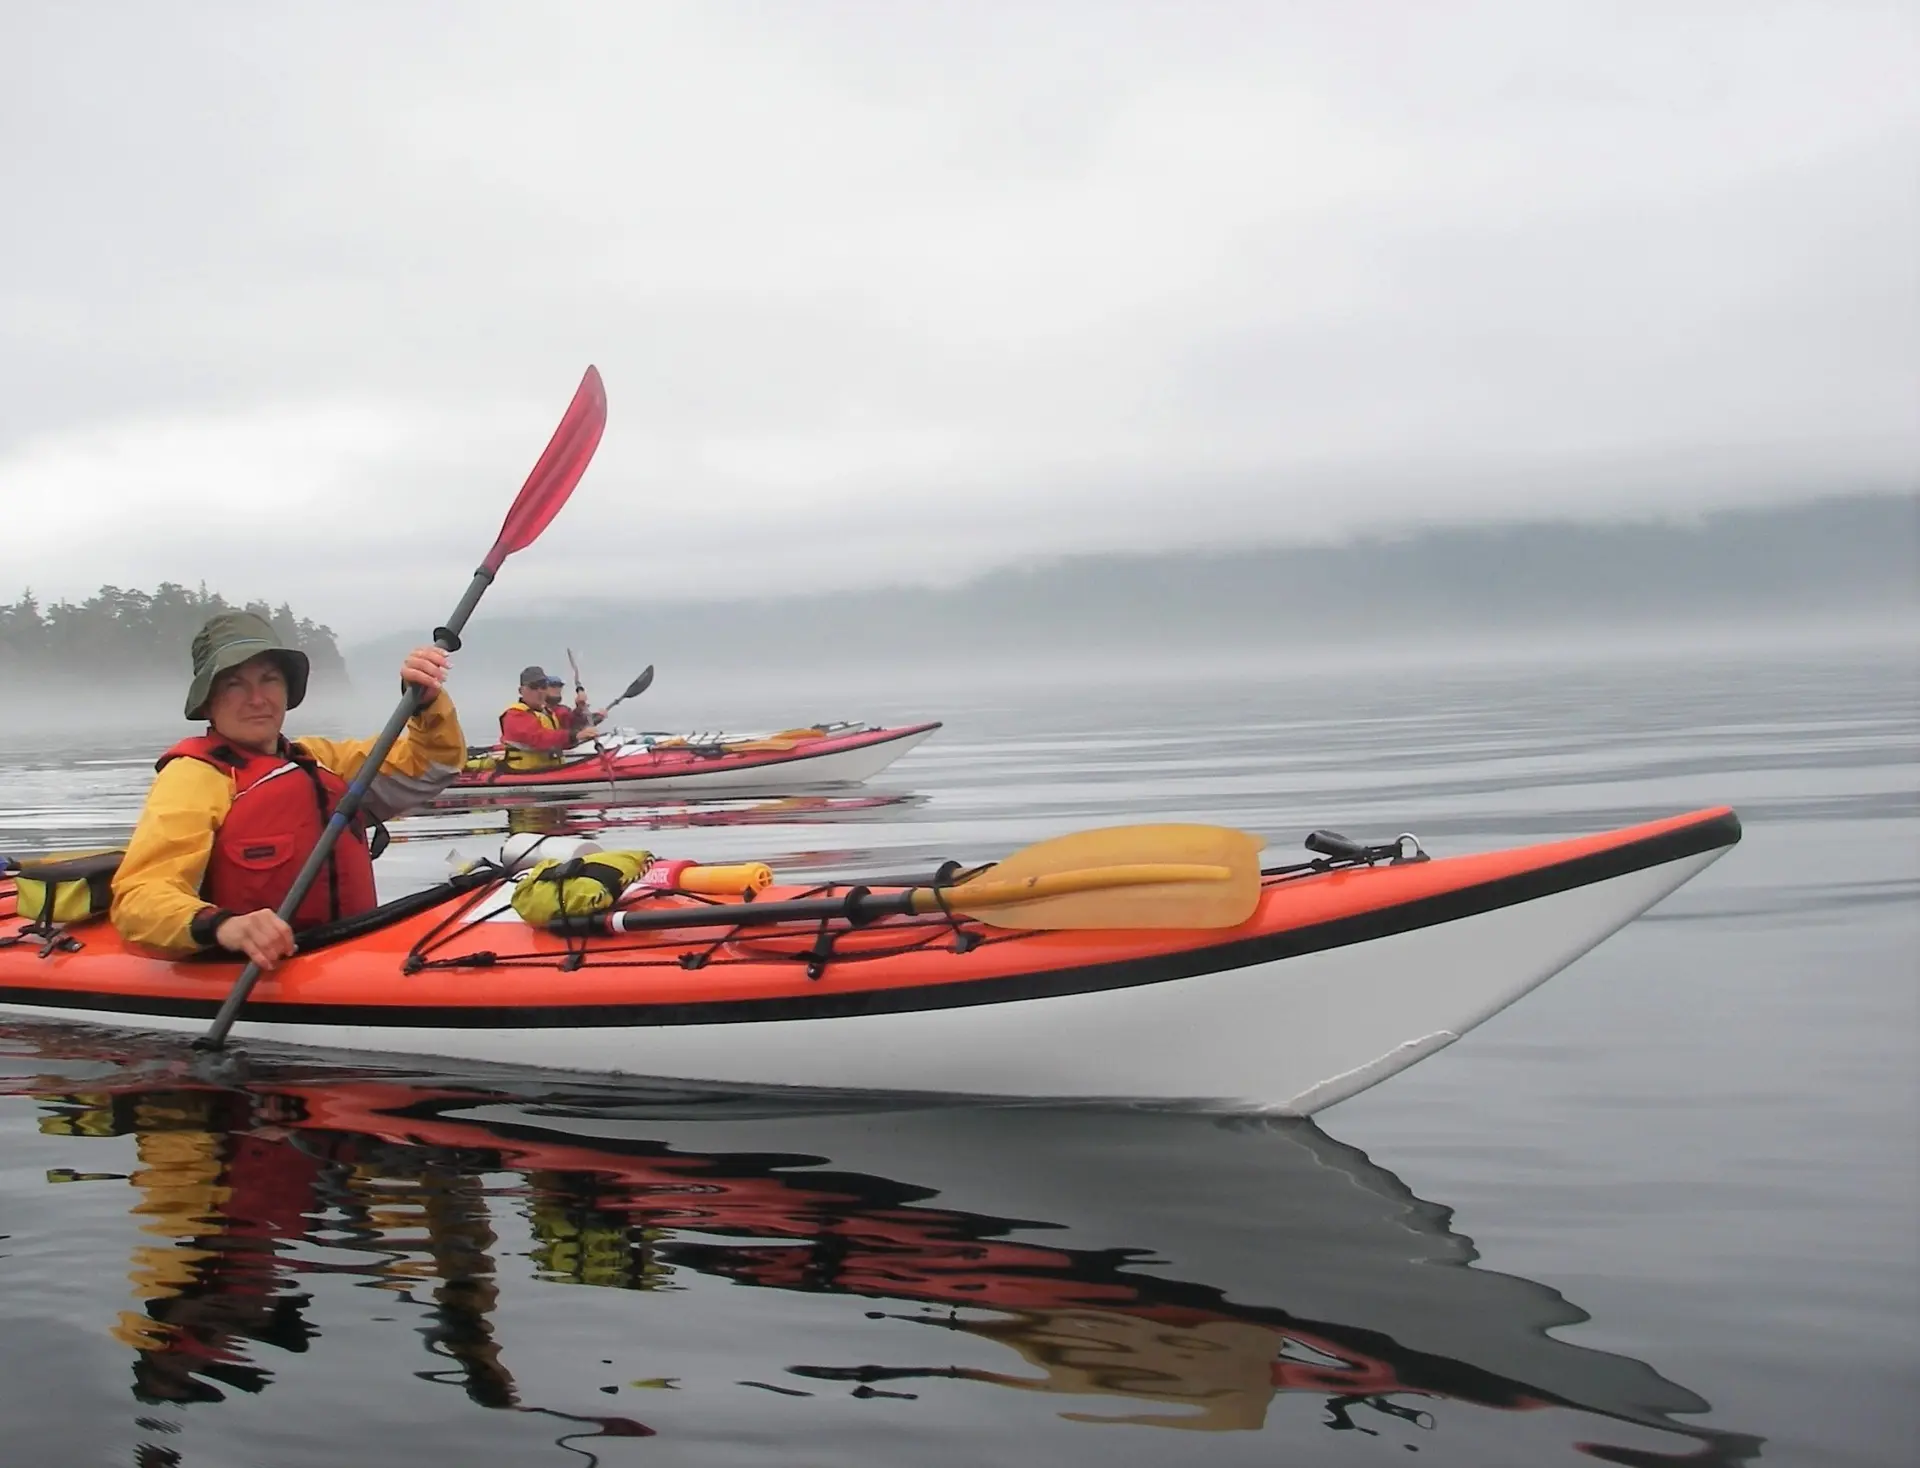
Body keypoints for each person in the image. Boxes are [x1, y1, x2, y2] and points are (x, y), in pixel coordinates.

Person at [110, 610, 466, 969]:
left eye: (269, 680)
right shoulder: (193, 777)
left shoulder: (320, 759)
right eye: (235, 684)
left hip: (353, 955)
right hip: (253, 969)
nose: (257, 699)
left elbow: (434, 765)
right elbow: (138, 899)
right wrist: (226, 926)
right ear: (208, 701)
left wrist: (424, 703)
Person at [497, 665, 602, 772]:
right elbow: (539, 737)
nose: (539, 691)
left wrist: (580, 709)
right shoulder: (515, 715)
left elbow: (569, 725)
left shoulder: (547, 712)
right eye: (533, 687)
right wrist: (575, 735)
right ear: (521, 690)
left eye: (543, 686)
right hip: (525, 772)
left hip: (550, 769)